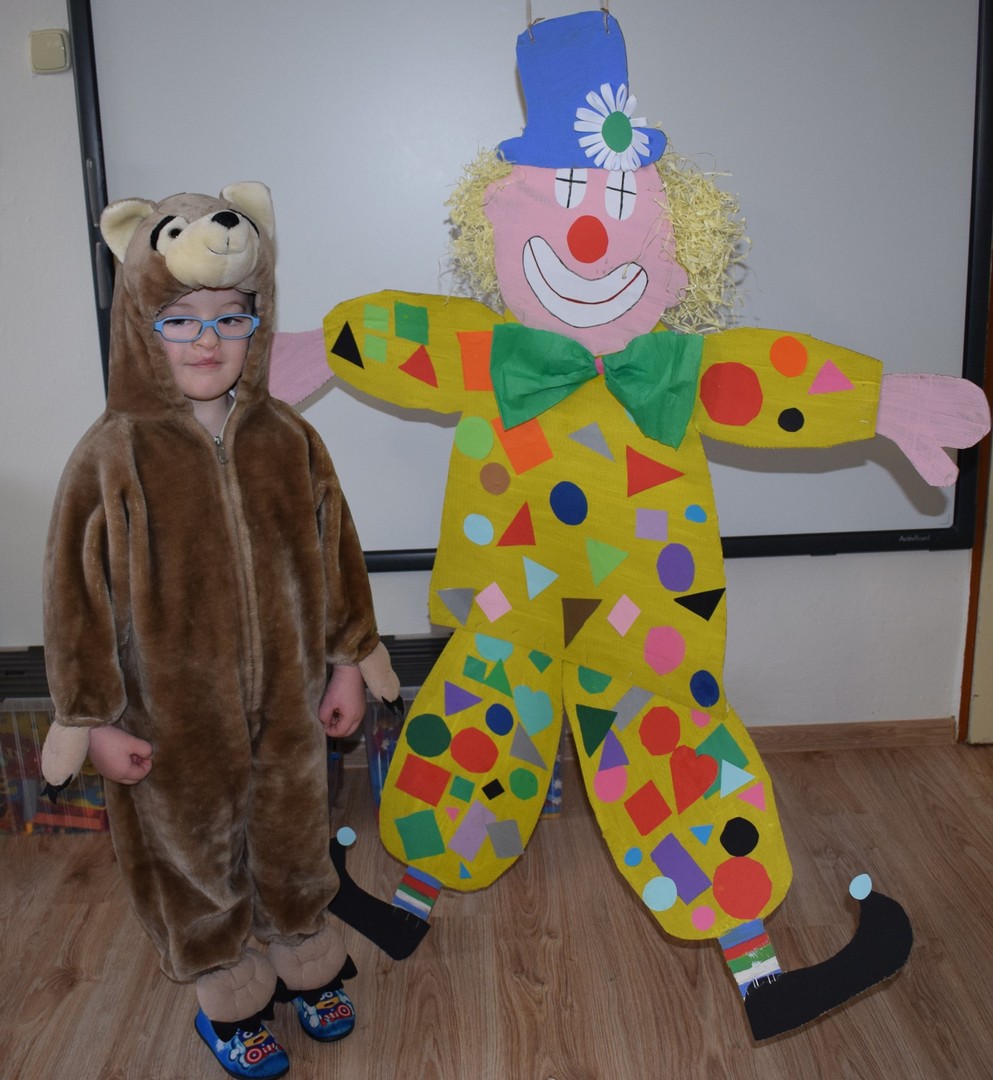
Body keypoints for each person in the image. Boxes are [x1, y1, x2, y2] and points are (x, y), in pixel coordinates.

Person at [41, 182, 400, 1079]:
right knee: (192, 856)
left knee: (293, 832)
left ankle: (302, 951)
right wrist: (92, 719)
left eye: (231, 318)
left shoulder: (290, 440)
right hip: (168, 720)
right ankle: (227, 991)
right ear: (141, 327)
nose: (207, 340)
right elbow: (74, 598)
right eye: (180, 320)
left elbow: (337, 553)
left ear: (258, 322)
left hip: (288, 704)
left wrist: (347, 661)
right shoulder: (111, 454)